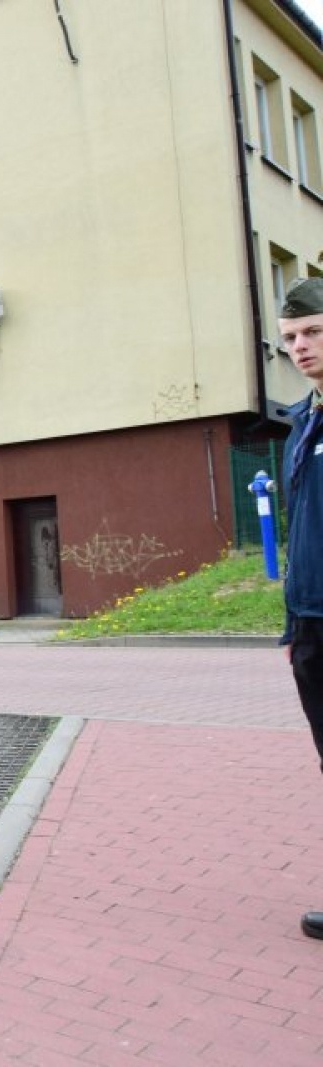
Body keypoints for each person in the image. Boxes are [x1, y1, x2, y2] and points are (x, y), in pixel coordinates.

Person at [276, 276, 323, 941]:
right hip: (312, 623)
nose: (301, 346)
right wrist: (292, 625)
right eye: (289, 337)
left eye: (313, 331)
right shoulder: (300, 423)